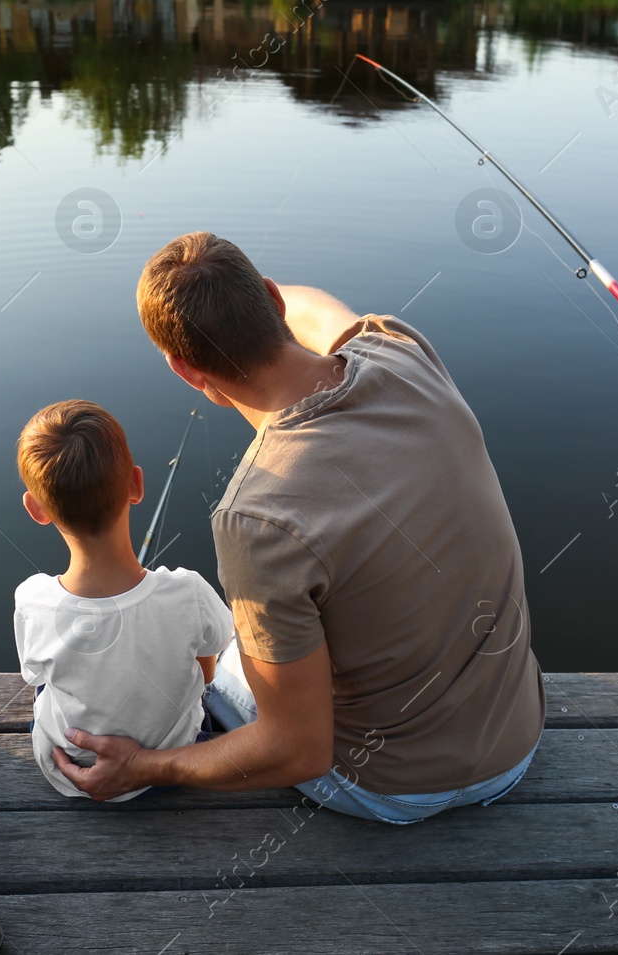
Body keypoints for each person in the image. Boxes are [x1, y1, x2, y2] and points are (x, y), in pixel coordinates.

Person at [52, 232, 544, 823]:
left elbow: (299, 751)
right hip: (518, 745)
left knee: (225, 659)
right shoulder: (404, 357)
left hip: (395, 788)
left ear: (184, 371)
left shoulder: (256, 517)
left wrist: (144, 766)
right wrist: (232, 298)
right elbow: (316, 309)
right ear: (271, 301)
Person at [12, 399, 234, 802]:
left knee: (44, 688)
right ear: (136, 484)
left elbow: (35, 676)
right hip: (167, 767)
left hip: (66, 769)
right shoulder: (190, 592)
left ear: (36, 509)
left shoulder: (32, 599)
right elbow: (208, 673)